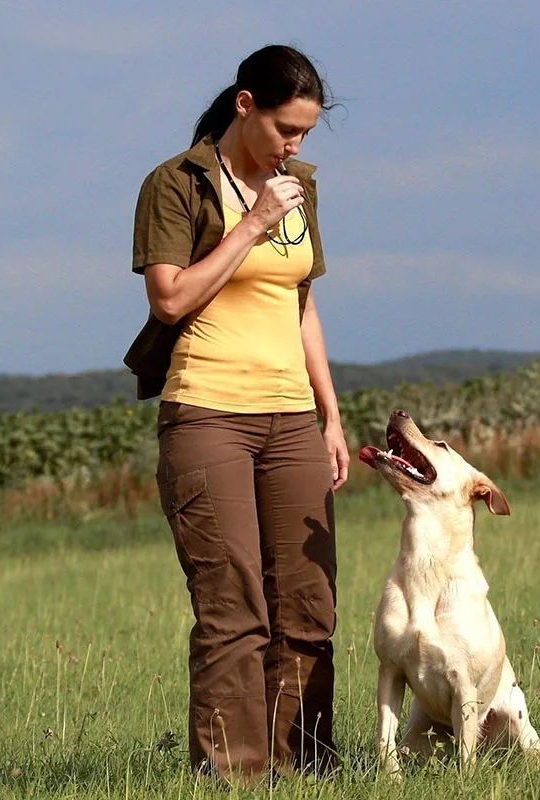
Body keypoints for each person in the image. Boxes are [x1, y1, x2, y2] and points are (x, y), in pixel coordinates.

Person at [124, 45, 348, 780]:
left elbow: (301, 303)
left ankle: (307, 770)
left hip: (292, 417)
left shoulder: (299, 186)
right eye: (286, 129)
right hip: (207, 413)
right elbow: (170, 299)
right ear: (245, 105)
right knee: (233, 607)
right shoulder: (176, 183)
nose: (295, 145)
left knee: (308, 605)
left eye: (306, 133)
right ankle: (235, 778)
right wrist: (251, 223)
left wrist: (330, 415)